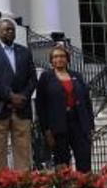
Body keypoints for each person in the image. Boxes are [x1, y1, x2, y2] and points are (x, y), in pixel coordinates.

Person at [0, 18, 37, 171]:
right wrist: (10, 96)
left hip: (22, 109)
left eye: (12, 29)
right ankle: (1, 187)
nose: (10, 32)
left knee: (24, 152)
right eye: (6, 29)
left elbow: (32, 79)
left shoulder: (24, 52)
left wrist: (22, 96)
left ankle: (23, 186)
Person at [35, 44, 93, 172]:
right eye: (55, 57)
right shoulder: (46, 77)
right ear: (51, 60)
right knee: (62, 163)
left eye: (62, 56)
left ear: (67, 59)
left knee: (84, 159)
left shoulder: (77, 76)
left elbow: (87, 102)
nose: (59, 59)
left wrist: (90, 126)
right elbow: (40, 105)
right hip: (58, 126)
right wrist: (46, 130)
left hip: (79, 124)